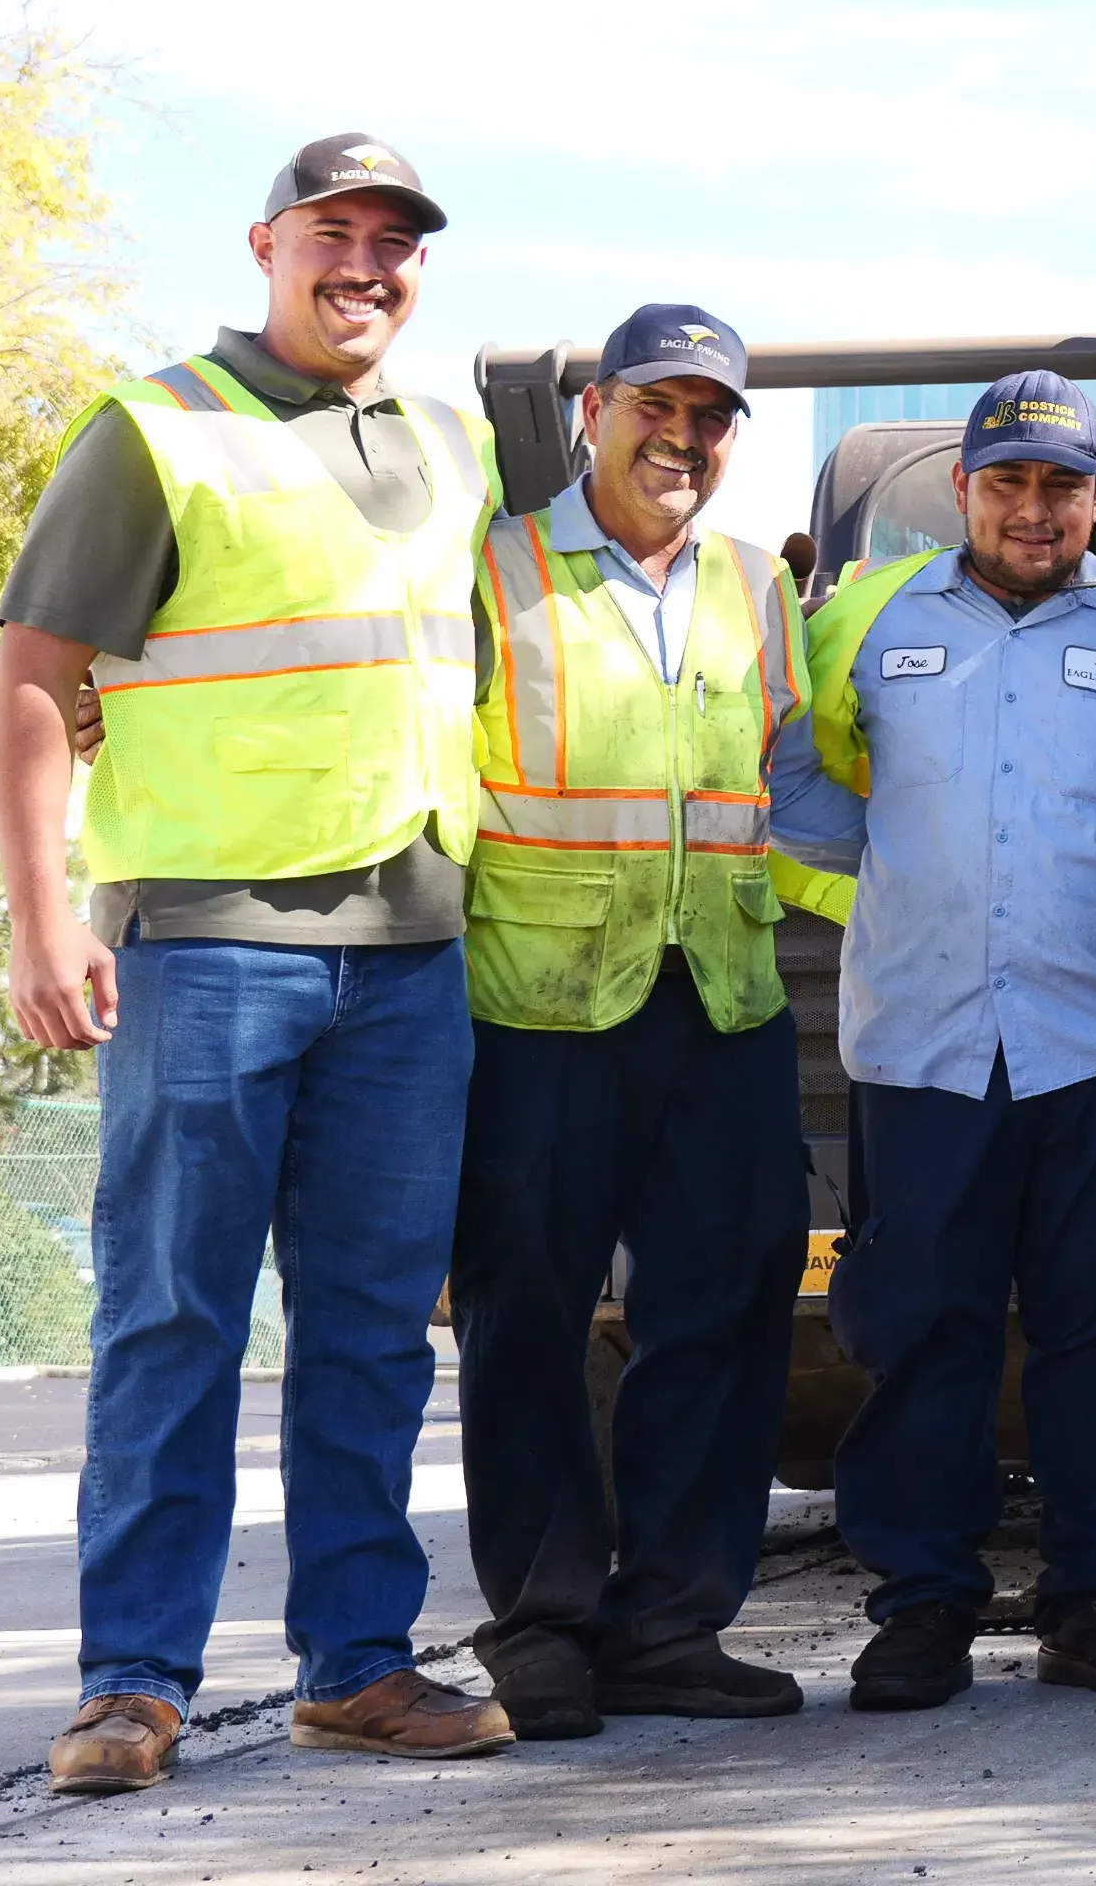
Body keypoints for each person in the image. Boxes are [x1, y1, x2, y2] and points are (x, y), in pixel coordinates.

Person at [0, 135, 515, 1789]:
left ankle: (358, 1662)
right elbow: (31, 674)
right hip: (209, 949)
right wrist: (42, 913)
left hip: (411, 956)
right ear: (266, 245)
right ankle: (133, 1680)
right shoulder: (154, 432)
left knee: (369, 1334)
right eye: (332, 232)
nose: (366, 263)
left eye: (396, 241)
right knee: (176, 1320)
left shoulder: (453, 443)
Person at [766, 372, 1096, 1714]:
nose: (1035, 510)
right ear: (963, 491)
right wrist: (925, 884)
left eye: (1063, 485)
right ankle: (921, 1609)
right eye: (1008, 483)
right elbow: (801, 793)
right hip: (923, 1048)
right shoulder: (863, 616)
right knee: (922, 1334)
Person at [443, 304, 817, 1738]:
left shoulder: (753, 587)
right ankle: (543, 1625)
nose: (684, 436)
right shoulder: (494, 570)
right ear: (594, 409)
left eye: (713, 416)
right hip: (537, 1005)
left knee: (720, 1307)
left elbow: (803, 785)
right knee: (526, 1313)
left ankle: (672, 1622)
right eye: (657, 406)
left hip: (720, 997)